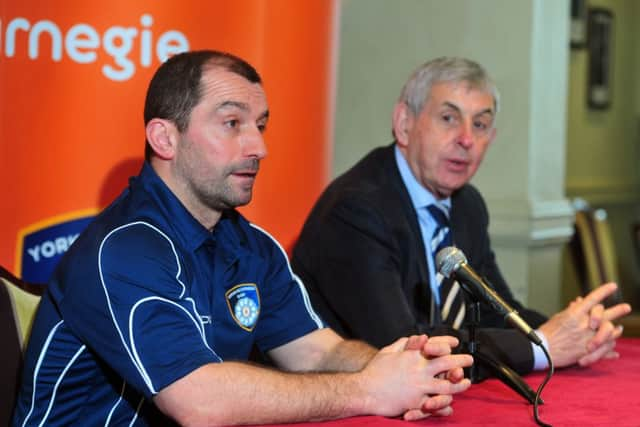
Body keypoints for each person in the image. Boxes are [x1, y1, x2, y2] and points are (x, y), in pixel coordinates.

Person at [12, 51, 473, 427]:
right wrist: (369, 388)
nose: (258, 146)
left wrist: (402, 366)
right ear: (165, 139)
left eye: (261, 125)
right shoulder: (124, 248)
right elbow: (198, 401)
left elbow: (317, 350)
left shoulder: (252, 245)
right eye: (232, 124)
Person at [292, 57, 632, 376]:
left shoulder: (467, 205)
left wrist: (574, 330)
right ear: (404, 124)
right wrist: (542, 347)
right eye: (448, 118)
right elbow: (401, 346)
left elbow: (497, 311)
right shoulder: (356, 210)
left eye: (480, 124)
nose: (467, 139)